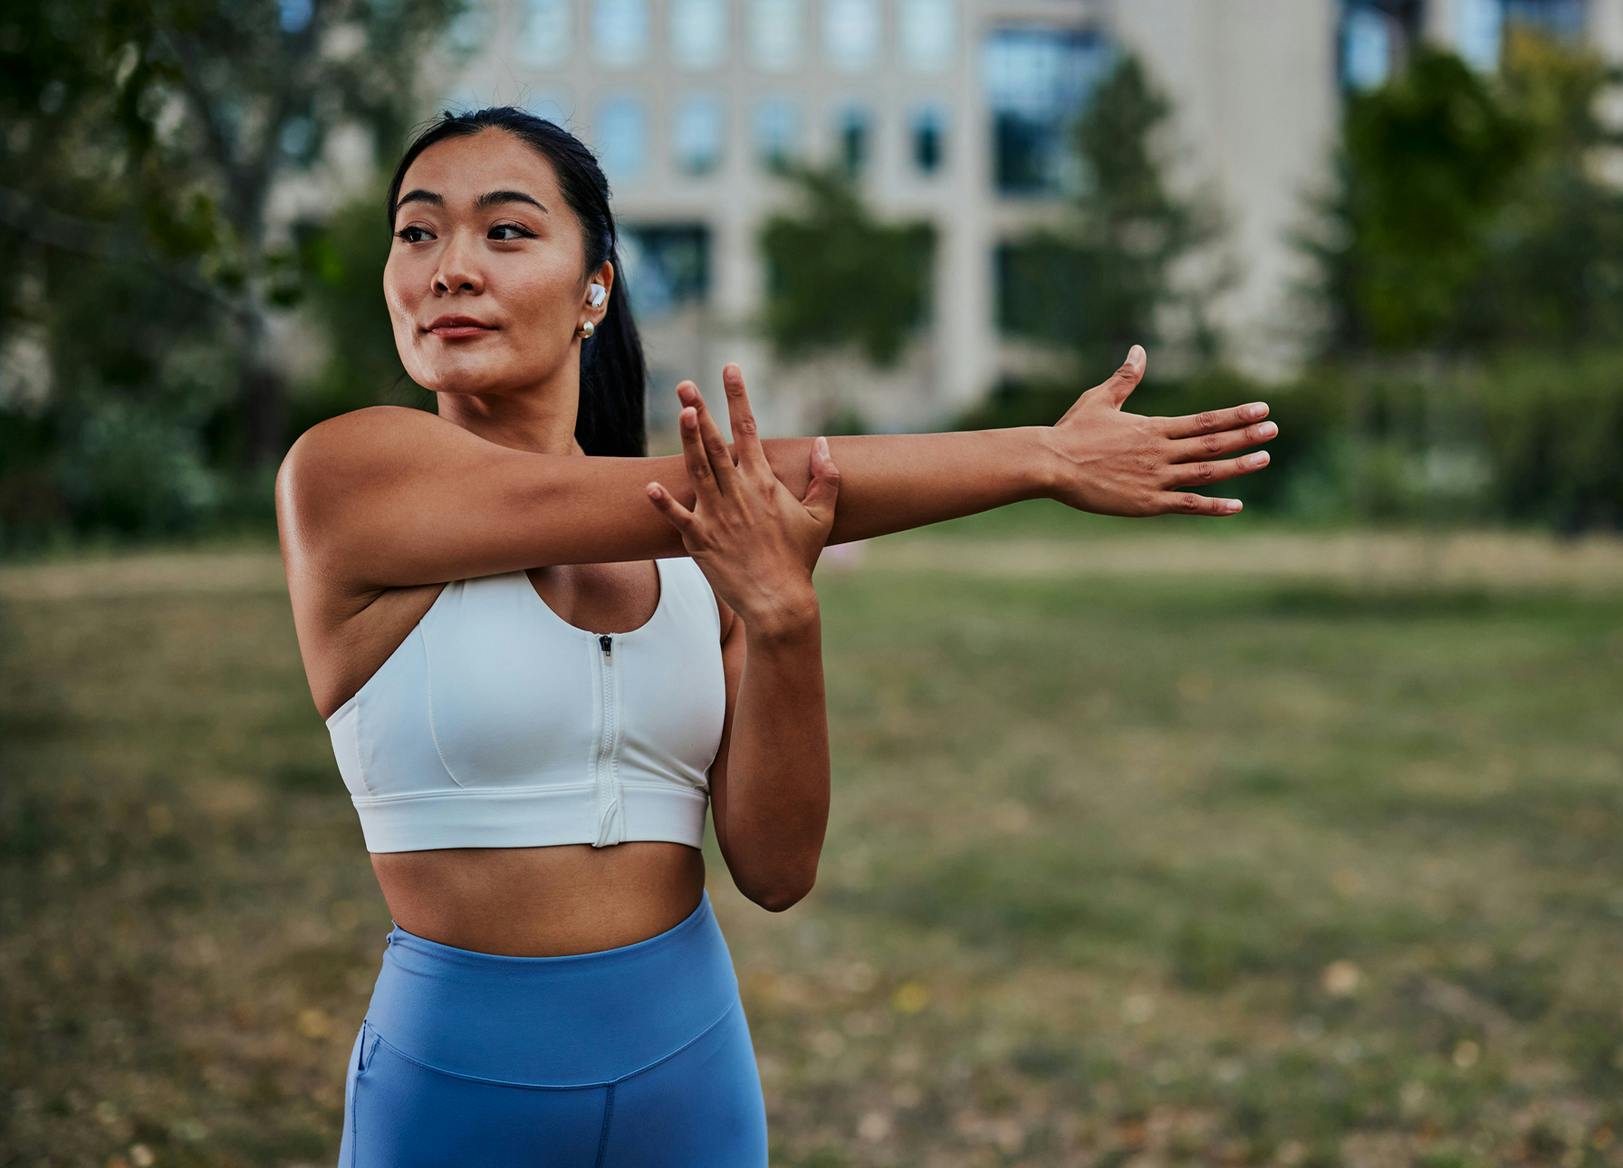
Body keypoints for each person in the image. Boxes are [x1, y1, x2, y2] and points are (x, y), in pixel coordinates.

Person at [274, 106, 1277, 1166]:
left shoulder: (704, 549)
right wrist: (1041, 456)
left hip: (692, 1075)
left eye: (506, 231)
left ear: (595, 288)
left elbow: (777, 866)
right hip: (457, 1093)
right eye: (418, 232)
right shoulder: (346, 480)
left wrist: (784, 617)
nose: (449, 269)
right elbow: (743, 479)